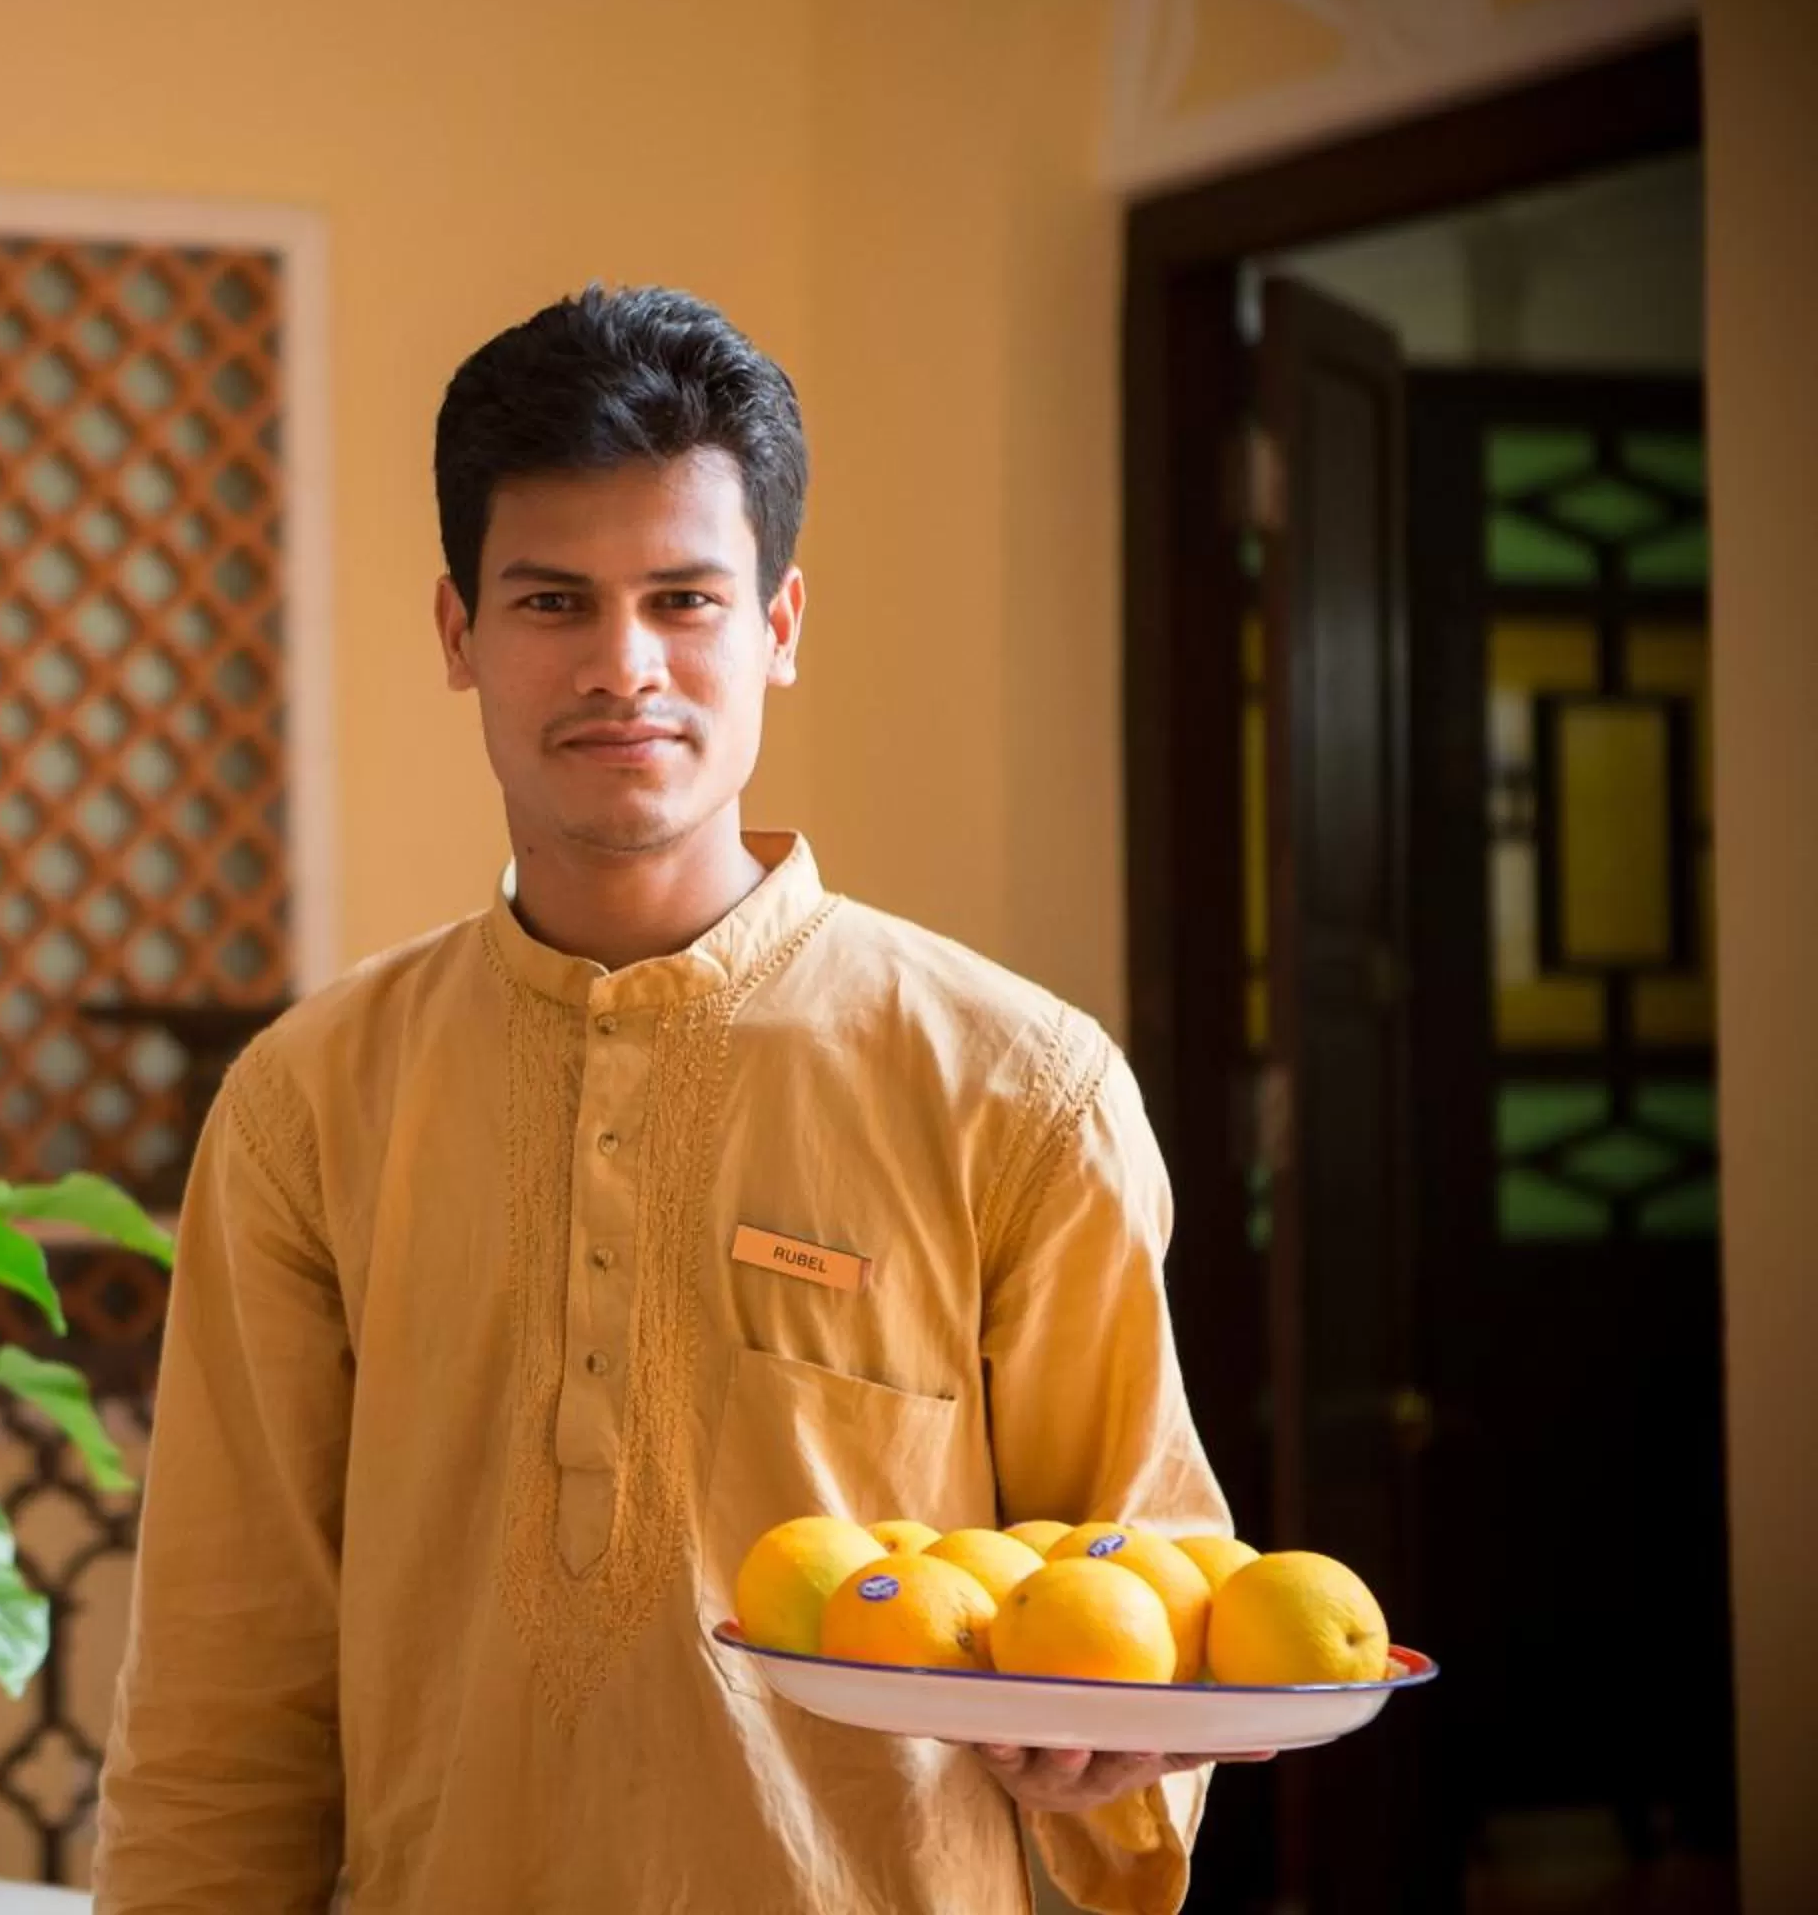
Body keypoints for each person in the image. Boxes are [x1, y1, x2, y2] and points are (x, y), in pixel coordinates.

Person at [92, 284, 1237, 1913]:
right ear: (457, 634)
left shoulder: (1017, 1088)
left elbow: (1145, 1581)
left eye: (683, 599)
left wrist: (1121, 1749)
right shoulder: (309, 1103)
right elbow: (224, 1683)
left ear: (778, 626)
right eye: (552, 601)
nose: (623, 666)